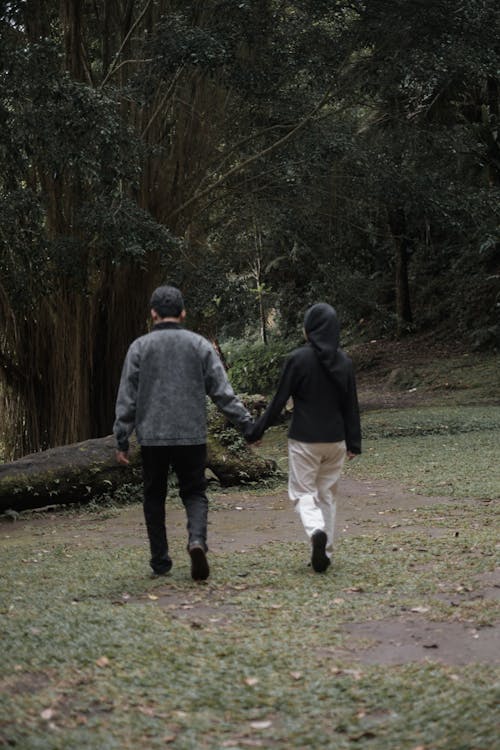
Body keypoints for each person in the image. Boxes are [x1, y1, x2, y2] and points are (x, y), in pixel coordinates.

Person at [113, 285, 254, 581]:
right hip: (192, 434)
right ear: (183, 312)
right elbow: (222, 392)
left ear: (153, 314)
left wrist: (122, 438)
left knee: (154, 496)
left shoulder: (139, 348)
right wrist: (246, 424)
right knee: (195, 492)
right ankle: (197, 540)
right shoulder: (199, 345)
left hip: (152, 436)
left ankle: (160, 562)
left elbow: (128, 397)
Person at [248, 303, 361, 572]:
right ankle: (327, 552)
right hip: (336, 441)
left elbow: (278, 401)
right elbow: (351, 405)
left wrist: (256, 431)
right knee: (327, 496)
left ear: (309, 329)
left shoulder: (298, 359)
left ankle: (316, 531)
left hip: (304, 440)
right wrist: (354, 442)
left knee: (302, 492)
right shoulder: (344, 362)